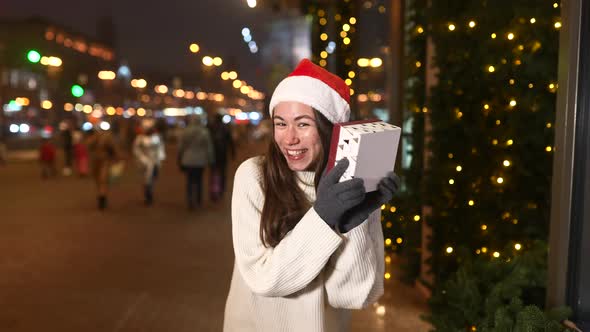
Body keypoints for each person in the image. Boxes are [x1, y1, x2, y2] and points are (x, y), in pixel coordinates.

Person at [223, 59, 399, 332]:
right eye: (281, 124)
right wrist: (323, 217)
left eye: (303, 125)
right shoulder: (254, 176)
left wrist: (360, 222)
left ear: (330, 128)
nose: (289, 138)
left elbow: (354, 296)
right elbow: (264, 279)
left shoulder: (349, 185)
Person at [178, 115, 214, 210]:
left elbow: (181, 147)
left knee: (189, 180)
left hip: (188, 159)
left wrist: (180, 158)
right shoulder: (205, 132)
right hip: (200, 160)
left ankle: (190, 199)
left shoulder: (186, 131)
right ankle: (198, 200)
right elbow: (209, 148)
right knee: (199, 180)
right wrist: (210, 159)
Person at [86, 127, 119, 210]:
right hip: (96, 161)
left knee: (102, 179)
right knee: (98, 180)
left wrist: (116, 156)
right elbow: (88, 146)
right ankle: (101, 195)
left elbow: (112, 148)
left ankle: (102, 197)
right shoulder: (93, 138)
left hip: (104, 161)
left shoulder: (107, 137)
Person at [133, 124, 165, 206]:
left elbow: (160, 148)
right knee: (146, 179)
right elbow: (136, 150)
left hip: (154, 161)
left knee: (153, 178)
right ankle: (147, 195)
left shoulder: (156, 138)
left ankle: (150, 192)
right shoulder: (139, 138)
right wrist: (142, 159)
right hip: (144, 162)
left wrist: (160, 158)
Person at [207, 113, 235, 201]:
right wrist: (233, 153)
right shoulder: (225, 128)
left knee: (213, 173)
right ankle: (221, 190)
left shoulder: (210, 128)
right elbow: (230, 142)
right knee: (222, 173)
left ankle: (213, 191)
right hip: (223, 154)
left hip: (212, 153)